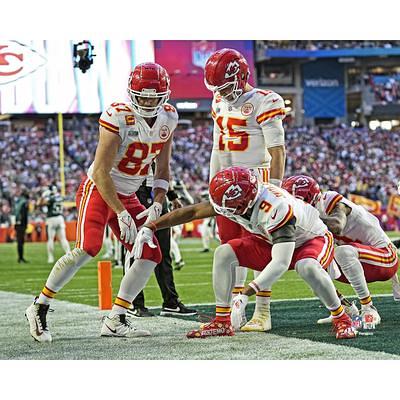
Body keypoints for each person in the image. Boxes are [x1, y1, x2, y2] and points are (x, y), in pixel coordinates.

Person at [25, 62, 177, 342]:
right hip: (99, 189)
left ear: (164, 95)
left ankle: (116, 317)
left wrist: (157, 202)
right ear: (132, 93)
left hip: (129, 194)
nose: (147, 101)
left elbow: (162, 169)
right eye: (142, 95)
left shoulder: (168, 117)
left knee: (150, 253)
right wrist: (120, 212)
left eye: (153, 96)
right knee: (88, 247)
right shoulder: (118, 115)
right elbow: (99, 171)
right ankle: (39, 306)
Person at [133, 167, 357, 340]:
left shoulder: (276, 208)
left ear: (245, 202)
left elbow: (281, 263)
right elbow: (192, 211)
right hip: (272, 239)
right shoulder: (241, 197)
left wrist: (246, 293)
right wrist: (151, 226)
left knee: (306, 266)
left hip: (310, 238)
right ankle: (222, 321)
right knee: (223, 253)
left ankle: (341, 317)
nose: (224, 212)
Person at [204, 48, 287, 331]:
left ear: (241, 77)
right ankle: (229, 313)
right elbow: (217, 145)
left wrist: (275, 188)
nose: (222, 93)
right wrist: (212, 182)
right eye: (218, 88)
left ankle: (263, 312)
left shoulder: (266, 101)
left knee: (260, 249)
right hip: (226, 185)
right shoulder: (218, 99)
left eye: (226, 87)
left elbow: (278, 150)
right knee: (230, 250)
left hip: (257, 182)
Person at [282, 175, 400, 324]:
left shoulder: (330, 200)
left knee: (343, 252)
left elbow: (337, 226)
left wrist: (302, 220)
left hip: (386, 258)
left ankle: (368, 307)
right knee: (310, 266)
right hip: (361, 261)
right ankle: (343, 308)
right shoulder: (311, 212)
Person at [128, 178, 197, 317]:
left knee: (164, 254)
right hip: (135, 194)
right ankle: (133, 303)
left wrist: (172, 196)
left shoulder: (160, 156)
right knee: (134, 252)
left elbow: (163, 173)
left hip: (159, 197)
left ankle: (171, 302)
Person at [39, 184, 70, 264]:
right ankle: (69, 254)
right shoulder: (60, 196)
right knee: (63, 238)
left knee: (50, 239)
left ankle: (50, 257)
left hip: (51, 219)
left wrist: (43, 196)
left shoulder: (51, 198)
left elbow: (40, 204)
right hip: (60, 218)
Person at [13, 188, 30, 263]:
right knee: (20, 241)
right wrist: (25, 225)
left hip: (17, 223)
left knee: (20, 241)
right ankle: (20, 258)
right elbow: (24, 215)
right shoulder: (24, 202)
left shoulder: (18, 201)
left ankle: (20, 257)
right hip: (21, 224)